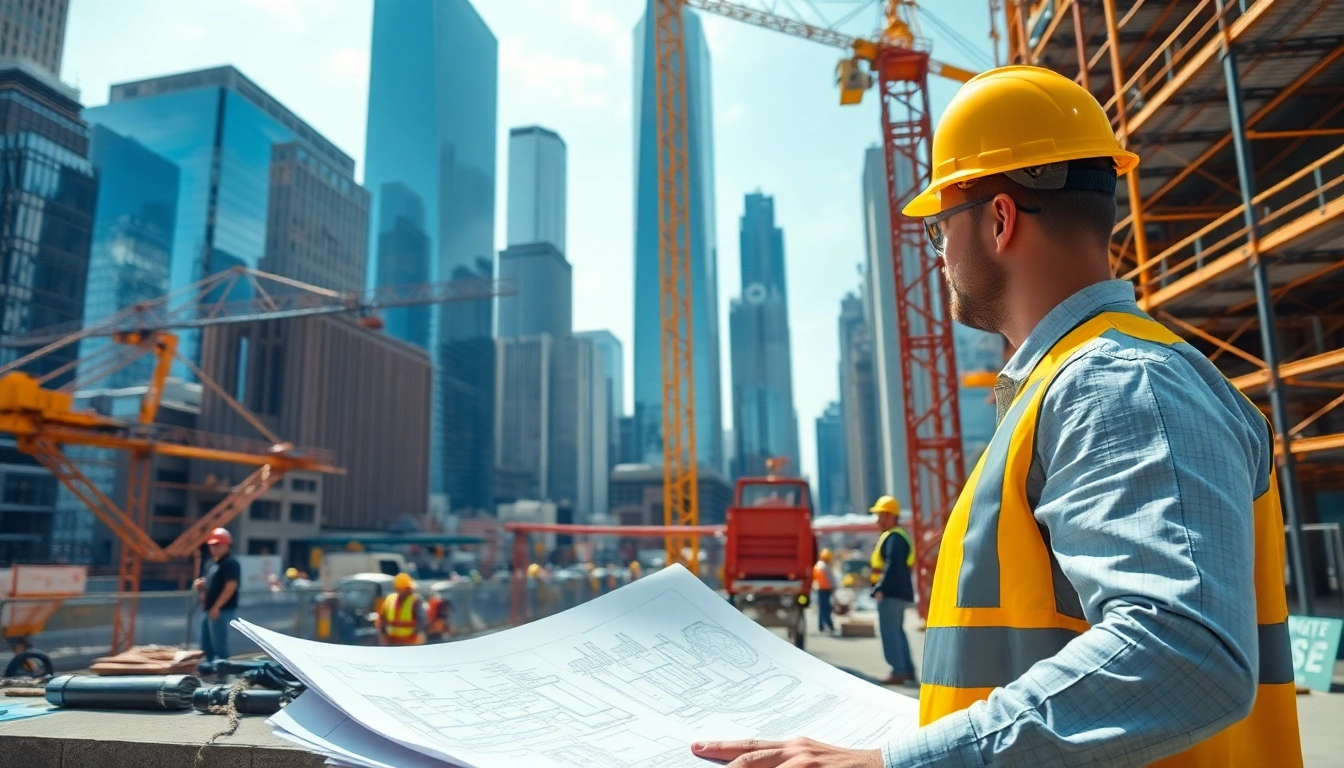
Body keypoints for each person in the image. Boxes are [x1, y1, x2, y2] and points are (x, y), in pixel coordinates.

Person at [689, 65, 1300, 767]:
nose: (941, 254)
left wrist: (898, 765)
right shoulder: (1075, 385)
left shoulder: (1115, 383)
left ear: (1000, 219)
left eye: (941, 229)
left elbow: (1187, 655)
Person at [867, 496, 916, 686]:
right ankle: (907, 670)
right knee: (897, 631)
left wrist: (881, 588)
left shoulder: (894, 537)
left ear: (889, 516)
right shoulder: (898, 536)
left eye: (879, 515)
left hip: (891, 593)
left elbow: (892, 566)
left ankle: (899, 671)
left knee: (890, 631)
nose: (877, 519)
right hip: (898, 592)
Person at [193, 528, 240, 666]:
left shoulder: (230, 563)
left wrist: (217, 607)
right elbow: (209, 581)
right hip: (209, 608)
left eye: (218, 545)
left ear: (227, 545)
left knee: (219, 643)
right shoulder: (211, 563)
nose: (214, 548)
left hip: (221, 610)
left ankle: (223, 672)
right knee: (206, 643)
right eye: (212, 545)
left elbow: (230, 587)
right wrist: (201, 585)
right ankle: (209, 668)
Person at [378, 573, 427, 646]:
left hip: (410, 643)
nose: (410, 590)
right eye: (407, 588)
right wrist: (383, 637)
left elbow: (422, 621)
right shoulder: (390, 599)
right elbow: (381, 620)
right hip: (392, 643)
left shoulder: (415, 600)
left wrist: (415, 636)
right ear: (398, 589)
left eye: (409, 588)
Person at [811, 548, 837, 634]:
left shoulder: (818, 565)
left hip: (820, 589)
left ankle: (821, 625)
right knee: (826, 608)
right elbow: (829, 579)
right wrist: (833, 587)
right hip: (825, 590)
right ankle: (829, 625)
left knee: (822, 608)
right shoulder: (824, 566)